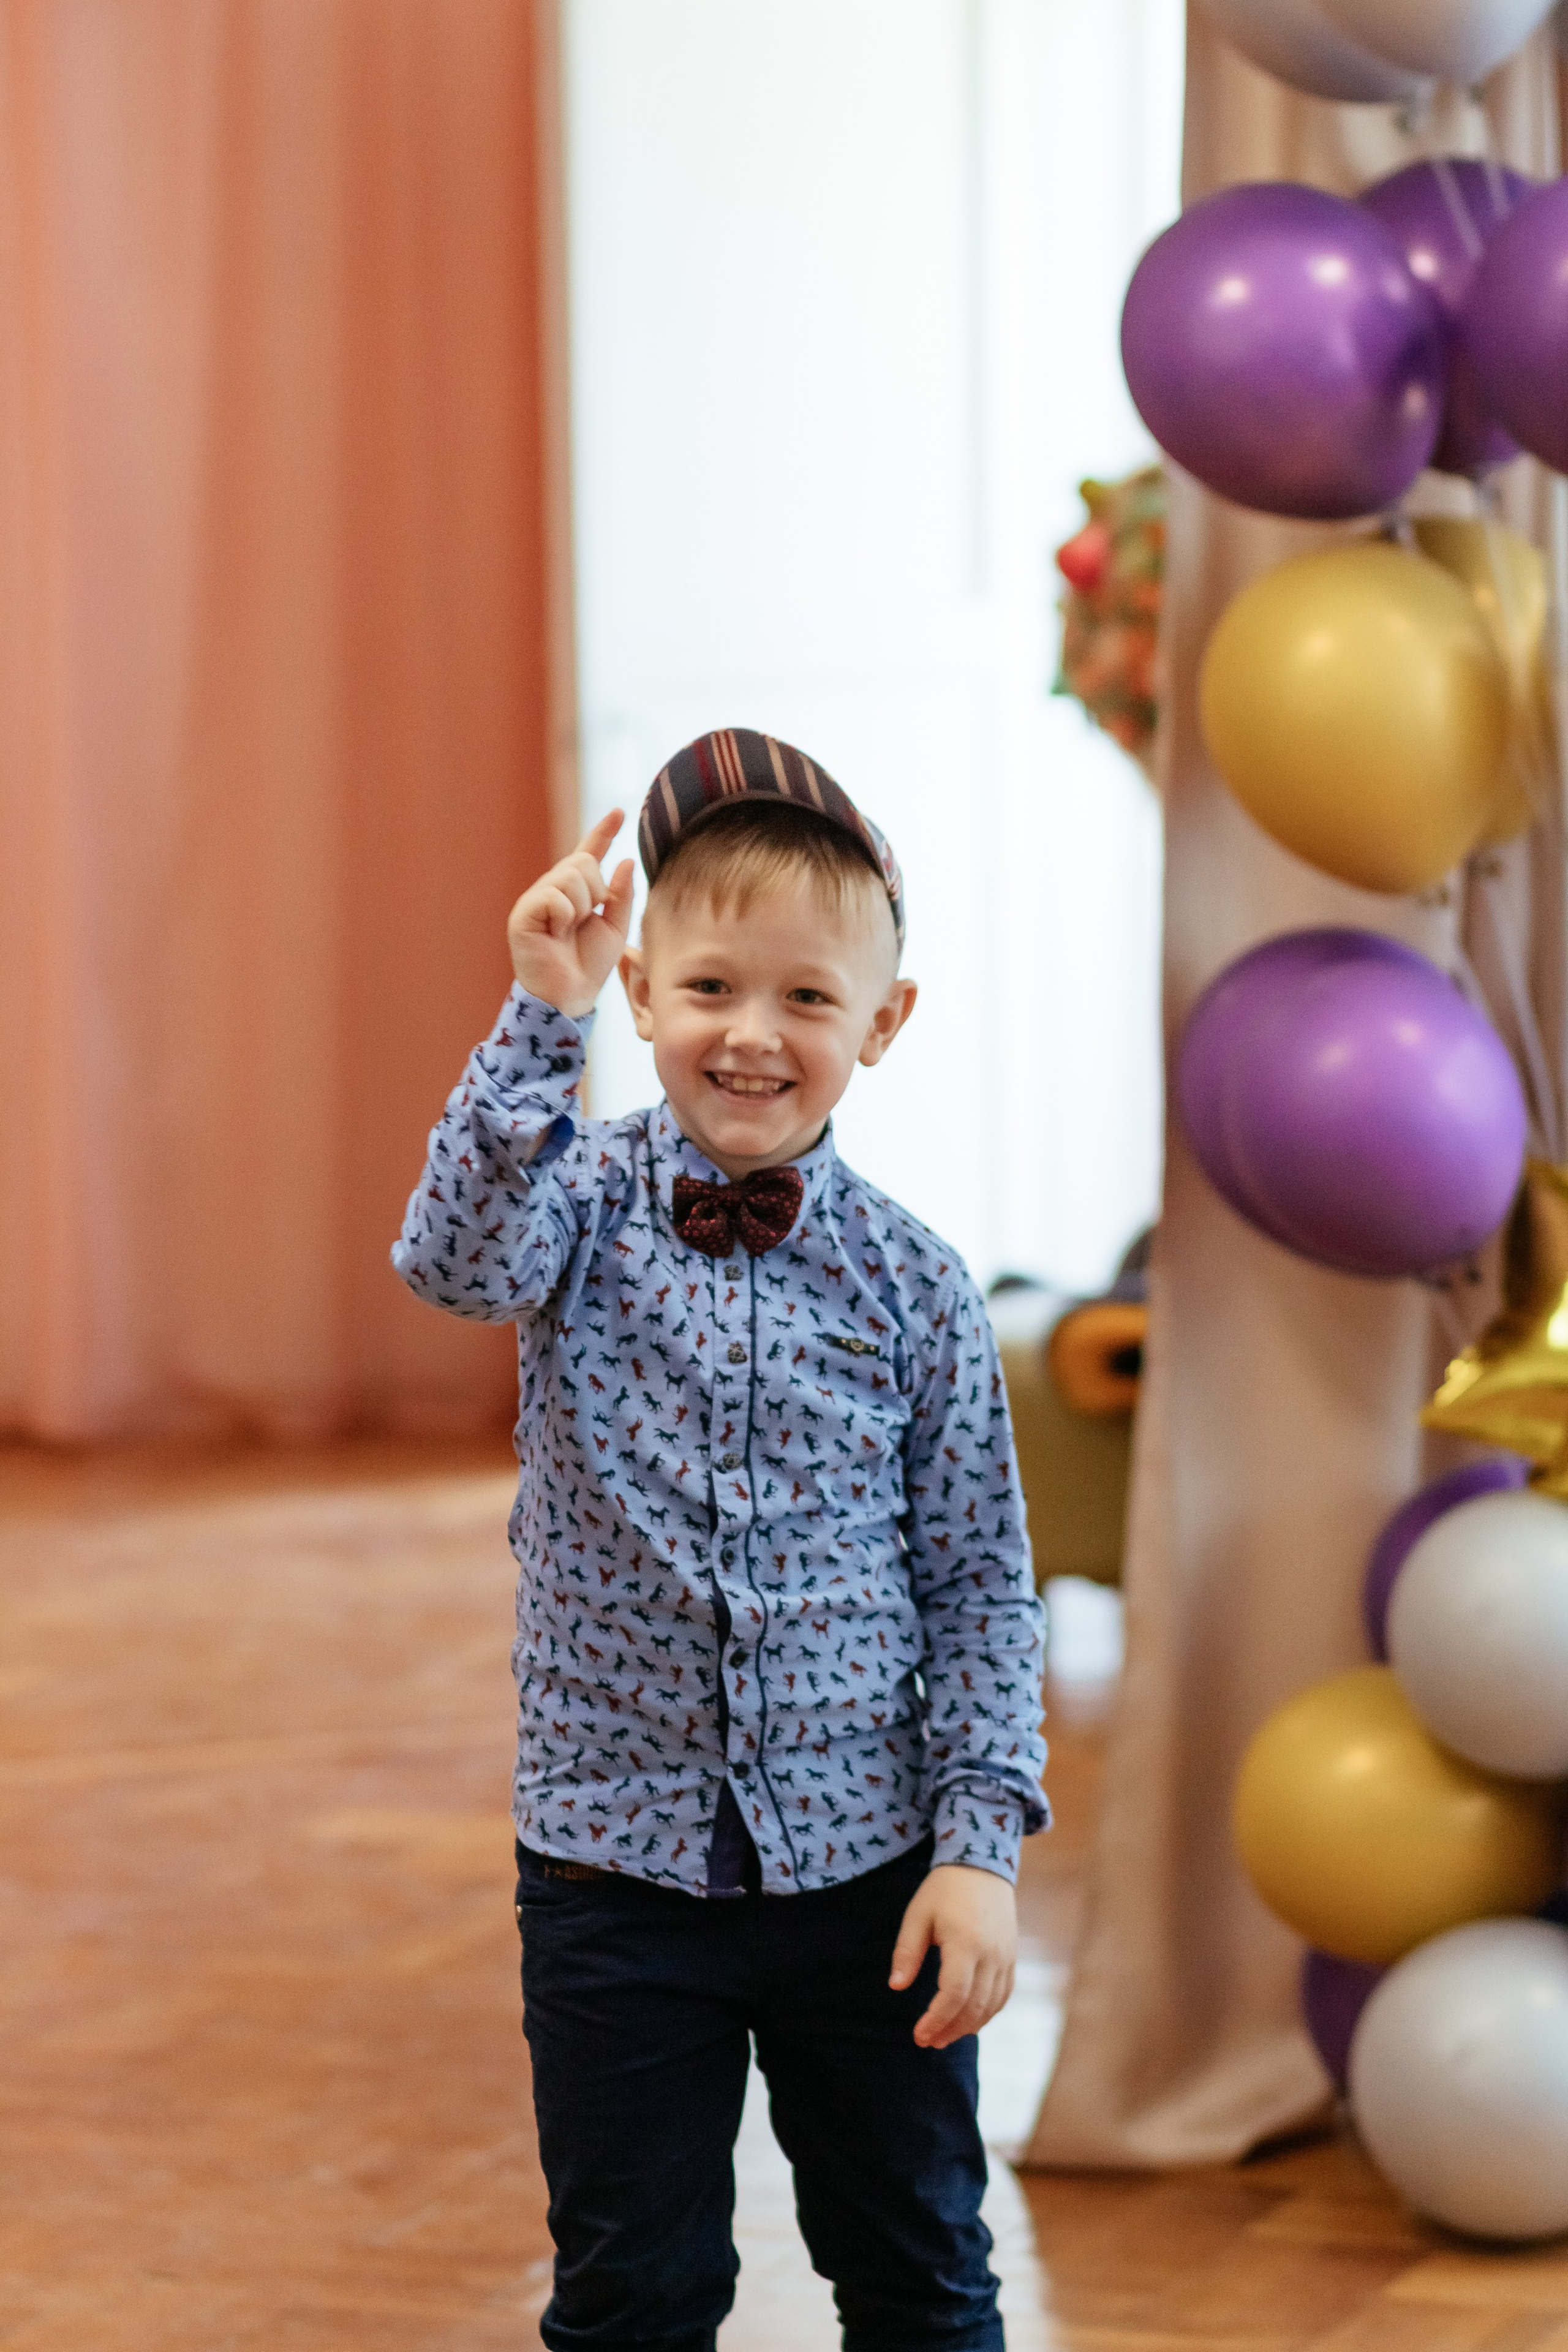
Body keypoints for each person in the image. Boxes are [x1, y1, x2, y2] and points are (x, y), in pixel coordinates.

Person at [393, 727, 1047, 2352]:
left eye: (809, 999)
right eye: (708, 989)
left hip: (873, 1871)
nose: (752, 1037)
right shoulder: (578, 1212)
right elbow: (452, 1261)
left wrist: (976, 1847)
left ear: (882, 1024)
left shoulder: (917, 1289)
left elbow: (979, 1586)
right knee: (636, 2290)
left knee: (920, 2272)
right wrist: (536, 1013)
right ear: (641, 993)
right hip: (616, 1870)